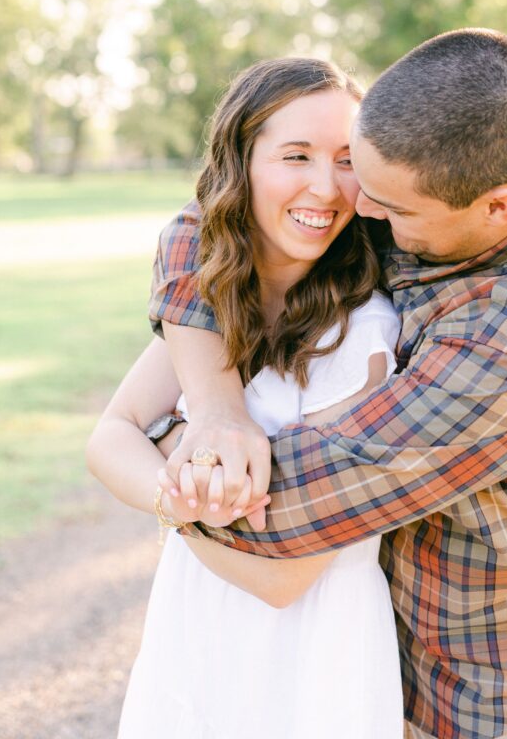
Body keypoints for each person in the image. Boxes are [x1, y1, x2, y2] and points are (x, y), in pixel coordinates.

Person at [145, 29, 507, 739]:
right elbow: (207, 226)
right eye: (365, 181)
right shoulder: (461, 157)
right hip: (397, 655)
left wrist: (155, 448)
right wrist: (216, 411)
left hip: (506, 687)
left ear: (498, 208)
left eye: (393, 210)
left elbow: (292, 509)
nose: (363, 215)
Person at [86, 57, 405, 739]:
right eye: (296, 155)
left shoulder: (365, 336)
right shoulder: (214, 306)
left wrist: (169, 453)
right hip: (195, 626)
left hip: (310, 653)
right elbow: (109, 436)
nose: (325, 186)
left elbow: (284, 576)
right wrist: (177, 490)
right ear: (242, 162)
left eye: (346, 159)